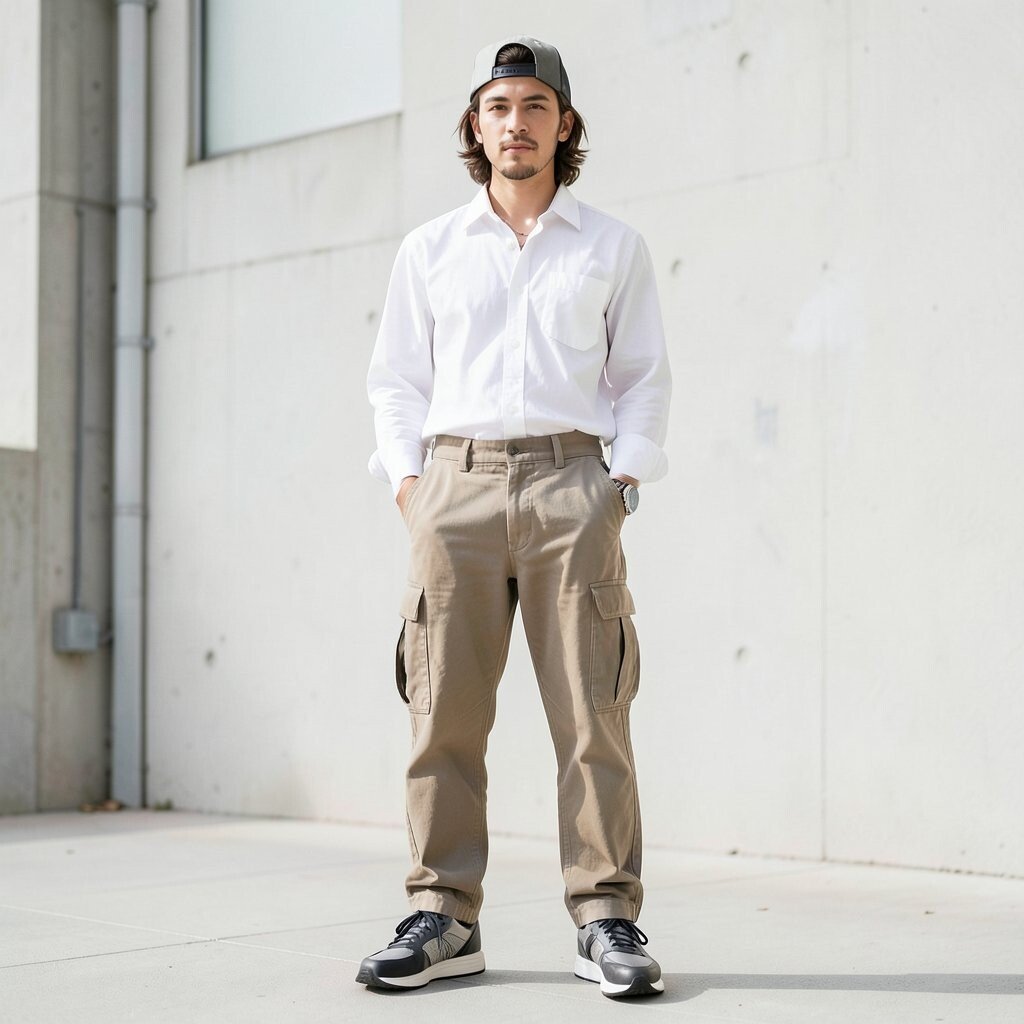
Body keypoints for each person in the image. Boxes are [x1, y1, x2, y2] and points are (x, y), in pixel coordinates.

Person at [359, 35, 672, 1000]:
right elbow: (396, 381)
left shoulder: (611, 246)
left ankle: (606, 916)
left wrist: (619, 484)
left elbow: (643, 378)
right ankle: (444, 916)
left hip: (572, 485)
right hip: (452, 489)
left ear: (564, 124)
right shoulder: (430, 250)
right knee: (441, 716)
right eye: (499, 107)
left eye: (536, 105)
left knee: (593, 716)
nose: (517, 123)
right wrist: (412, 490)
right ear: (476, 125)